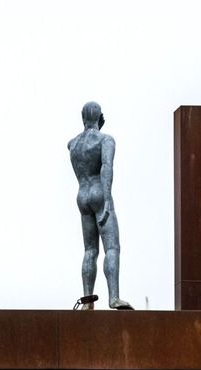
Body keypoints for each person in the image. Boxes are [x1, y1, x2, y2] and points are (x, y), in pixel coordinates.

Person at [67, 102, 133, 310]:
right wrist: (106, 199)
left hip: (82, 195)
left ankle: (87, 302)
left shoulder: (73, 144)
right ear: (101, 117)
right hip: (98, 192)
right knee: (112, 248)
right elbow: (106, 167)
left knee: (90, 250)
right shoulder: (106, 140)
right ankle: (114, 297)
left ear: (82, 116)